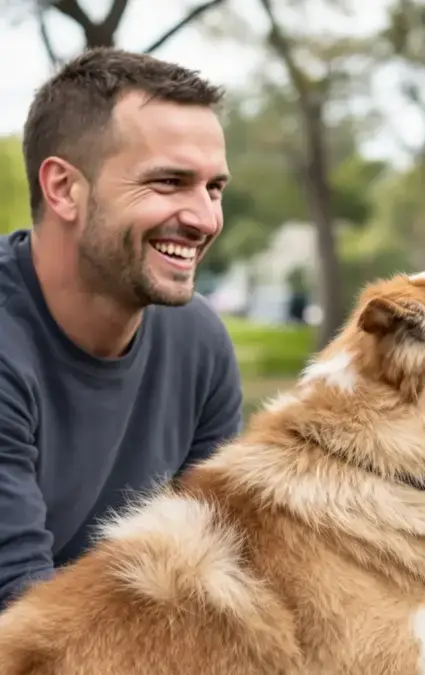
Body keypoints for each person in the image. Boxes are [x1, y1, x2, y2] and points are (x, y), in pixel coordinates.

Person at [0, 48, 242, 608]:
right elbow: (23, 620)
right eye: (169, 182)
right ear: (64, 188)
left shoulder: (199, 343)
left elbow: (217, 569)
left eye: (214, 188)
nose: (205, 219)